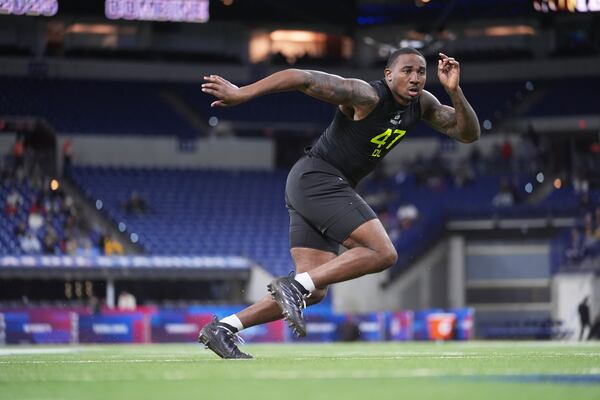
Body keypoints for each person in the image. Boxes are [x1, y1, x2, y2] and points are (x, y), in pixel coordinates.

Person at [198, 48, 480, 358]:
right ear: (388, 75)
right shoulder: (367, 96)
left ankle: (224, 328)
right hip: (318, 179)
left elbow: (467, 134)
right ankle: (292, 286)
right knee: (383, 253)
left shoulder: (423, 104)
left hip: (312, 184)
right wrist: (242, 92)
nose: (415, 78)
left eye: (421, 72)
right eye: (407, 71)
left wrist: (454, 91)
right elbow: (302, 78)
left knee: (314, 289)